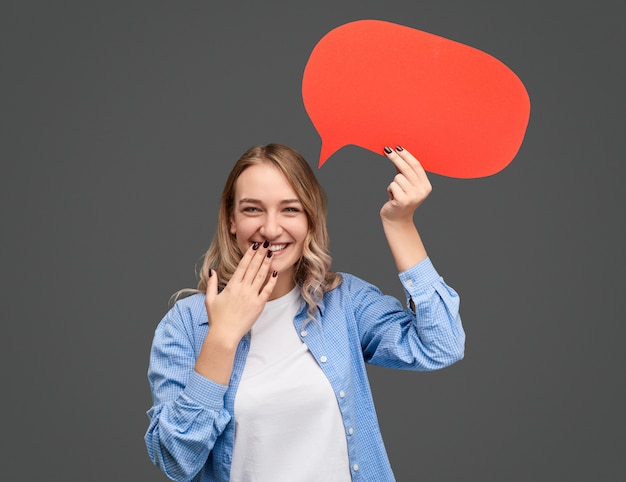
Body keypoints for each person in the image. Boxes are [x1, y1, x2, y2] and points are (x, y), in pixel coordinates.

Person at [145, 143, 465, 482]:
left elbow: (441, 344)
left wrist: (401, 224)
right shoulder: (187, 324)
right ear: (231, 221)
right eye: (253, 209)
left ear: (311, 219)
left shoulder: (343, 303)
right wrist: (222, 338)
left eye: (290, 210)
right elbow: (175, 460)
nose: (270, 229)